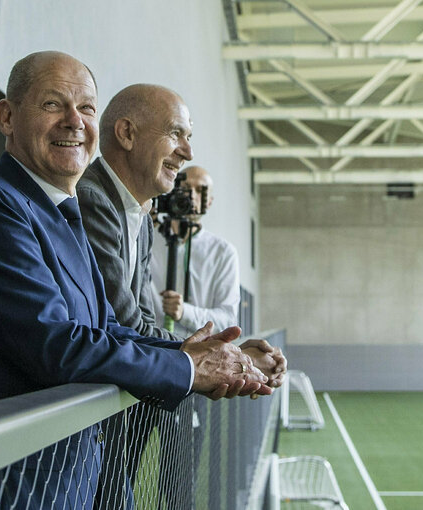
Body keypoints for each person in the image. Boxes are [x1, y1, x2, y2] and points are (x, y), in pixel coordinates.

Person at [0, 51, 270, 509]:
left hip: (77, 476)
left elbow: (108, 328)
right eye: (53, 105)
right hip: (16, 488)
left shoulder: (61, 211)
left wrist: (209, 354)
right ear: (8, 116)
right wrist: (191, 370)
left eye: (86, 108)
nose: (75, 122)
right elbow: (59, 344)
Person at [77, 85, 285, 508]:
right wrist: (215, 360)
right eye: (176, 134)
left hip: (142, 388)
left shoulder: (136, 215)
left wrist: (228, 355)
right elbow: (124, 323)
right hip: (85, 425)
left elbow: (138, 323)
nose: (187, 152)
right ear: (127, 133)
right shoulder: (95, 199)